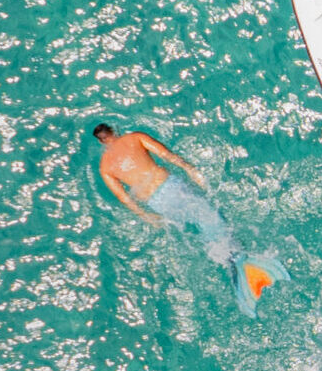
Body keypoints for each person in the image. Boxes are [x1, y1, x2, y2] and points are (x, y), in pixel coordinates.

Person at [93, 124, 288, 317]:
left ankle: (233, 270)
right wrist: (190, 169)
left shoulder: (104, 167)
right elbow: (166, 155)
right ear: (113, 130)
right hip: (171, 185)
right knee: (210, 219)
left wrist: (146, 216)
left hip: (157, 203)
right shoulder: (134, 138)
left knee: (196, 232)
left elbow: (124, 198)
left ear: (101, 142)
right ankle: (243, 261)